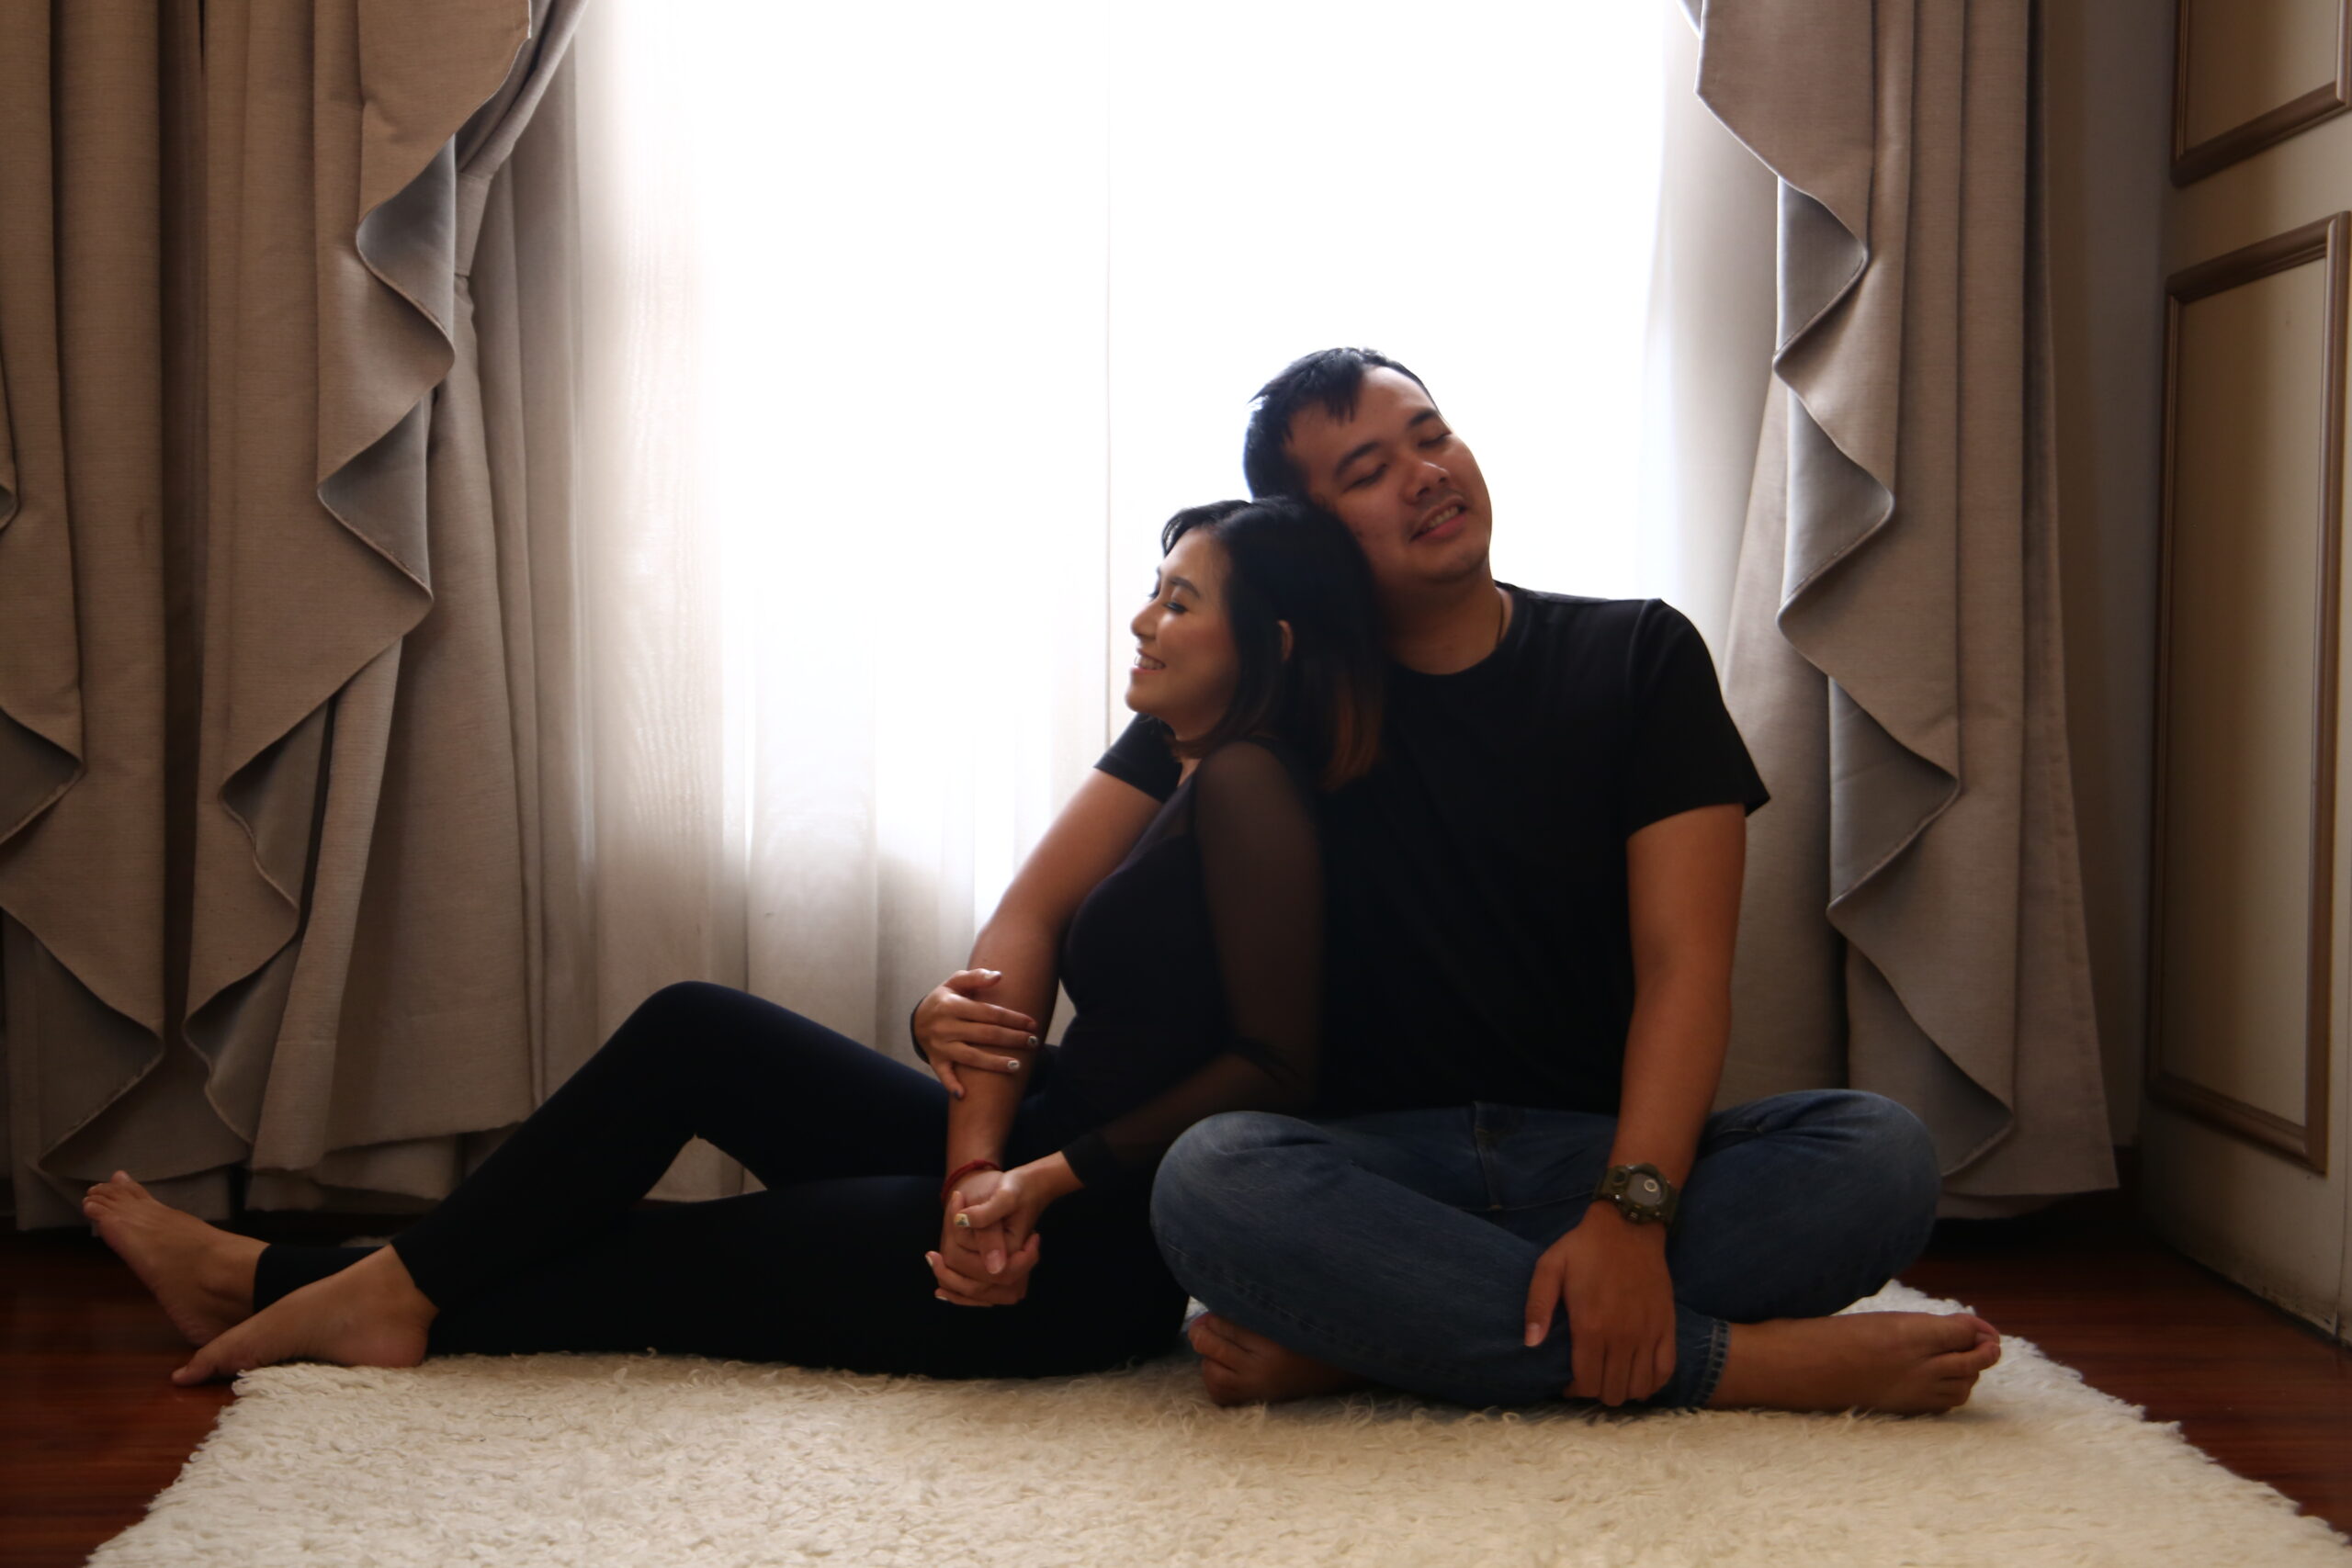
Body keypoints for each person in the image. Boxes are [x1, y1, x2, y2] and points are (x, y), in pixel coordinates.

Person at [83, 496, 1385, 1387]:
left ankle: (293, 1285)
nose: (1143, 622)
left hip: (1076, 1255)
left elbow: (1278, 1065)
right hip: (1031, 1166)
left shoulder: (1250, 783)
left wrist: (1035, 1187)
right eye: (1152, 593)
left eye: (1178, 601)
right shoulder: (1193, 766)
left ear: (1268, 644)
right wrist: (972, 1127)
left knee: (687, 1259)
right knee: (695, 1029)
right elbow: (1047, 944)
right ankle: (339, 1285)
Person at [925, 347, 2004, 1417]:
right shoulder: (1267, 688)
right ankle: (1727, 1366)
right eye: (1367, 471)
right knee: (1210, 1176)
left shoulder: (1637, 655)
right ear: (1313, 538)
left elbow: (1685, 968)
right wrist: (974, 1152)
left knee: (1879, 1158)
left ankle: (1378, 1338)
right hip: (1362, 1165)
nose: (1426, 474)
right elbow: (1033, 912)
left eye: (1431, 436)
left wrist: (1628, 1214)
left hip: (1588, 1151)